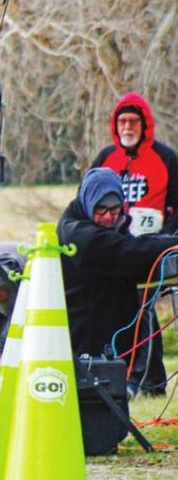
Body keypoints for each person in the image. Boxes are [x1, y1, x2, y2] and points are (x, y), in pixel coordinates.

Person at [89, 92, 178, 395]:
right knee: (118, 307)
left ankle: (143, 379)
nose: (127, 127)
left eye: (133, 121)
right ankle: (135, 376)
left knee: (144, 307)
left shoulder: (166, 158)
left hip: (153, 249)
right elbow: (86, 198)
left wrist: (166, 238)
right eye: (122, 121)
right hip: (115, 249)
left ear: (145, 124)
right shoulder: (105, 159)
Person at [58, 167, 178, 385]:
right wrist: (171, 244)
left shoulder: (114, 225)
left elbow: (134, 258)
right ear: (87, 202)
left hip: (110, 332)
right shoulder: (78, 233)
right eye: (100, 210)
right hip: (85, 335)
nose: (107, 217)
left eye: (114, 210)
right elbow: (128, 252)